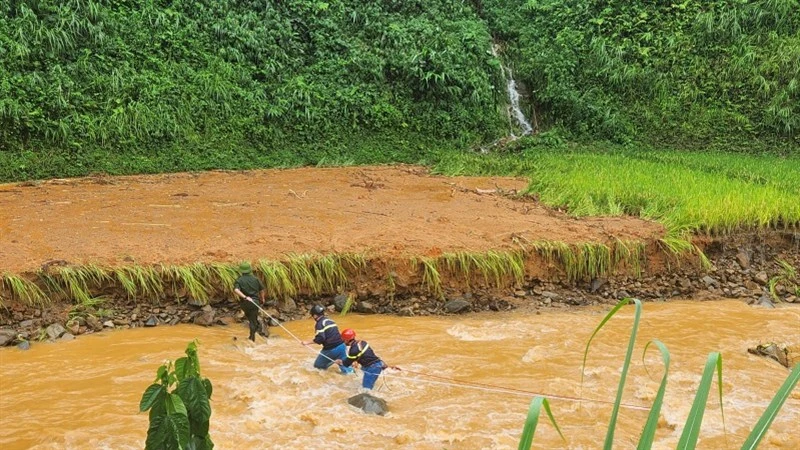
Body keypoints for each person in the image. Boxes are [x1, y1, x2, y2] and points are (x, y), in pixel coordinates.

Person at [301, 304, 354, 374]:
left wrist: (307, 342)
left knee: (318, 368)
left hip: (331, 350)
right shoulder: (330, 320)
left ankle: (331, 360)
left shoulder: (319, 324)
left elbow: (320, 338)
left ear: (315, 315)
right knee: (347, 369)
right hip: (342, 346)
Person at [233, 261, 267, 342]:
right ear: (250, 270)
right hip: (255, 302)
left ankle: (252, 336)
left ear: (241, 271)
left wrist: (245, 297)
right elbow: (262, 290)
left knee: (250, 318)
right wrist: (262, 298)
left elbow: (236, 290)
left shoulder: (239, 280)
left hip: (244, 303)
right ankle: (252, 338)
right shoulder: (256, 279)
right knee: (253, 320)